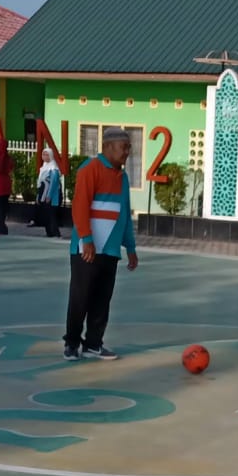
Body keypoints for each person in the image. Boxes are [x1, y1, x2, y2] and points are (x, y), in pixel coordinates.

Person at [64, 128, 138, 361]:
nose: (127, 152)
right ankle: (72, 343)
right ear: (107, 147)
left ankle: (93, 344)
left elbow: (124, 213)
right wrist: (86, 239)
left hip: (110, 250)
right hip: (87, 249)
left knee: (102, 299)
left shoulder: (122, 177)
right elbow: (80, 206)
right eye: (123, 147)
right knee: (80, 297)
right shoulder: (90, 169)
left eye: (128, 147)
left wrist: (131, 247)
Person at [34, 146, 64, 238]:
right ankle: (49, 232)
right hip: (43, 194)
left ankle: (55, 232)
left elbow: (54, 184)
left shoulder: (53, 169)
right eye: (43, 154)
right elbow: (40, 183)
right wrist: (38, 196)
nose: (44, 156)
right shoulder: (43, 168)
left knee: (51, 214)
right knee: (46, 214)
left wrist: (49, 196)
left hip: (52, 196)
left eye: (47, 155)